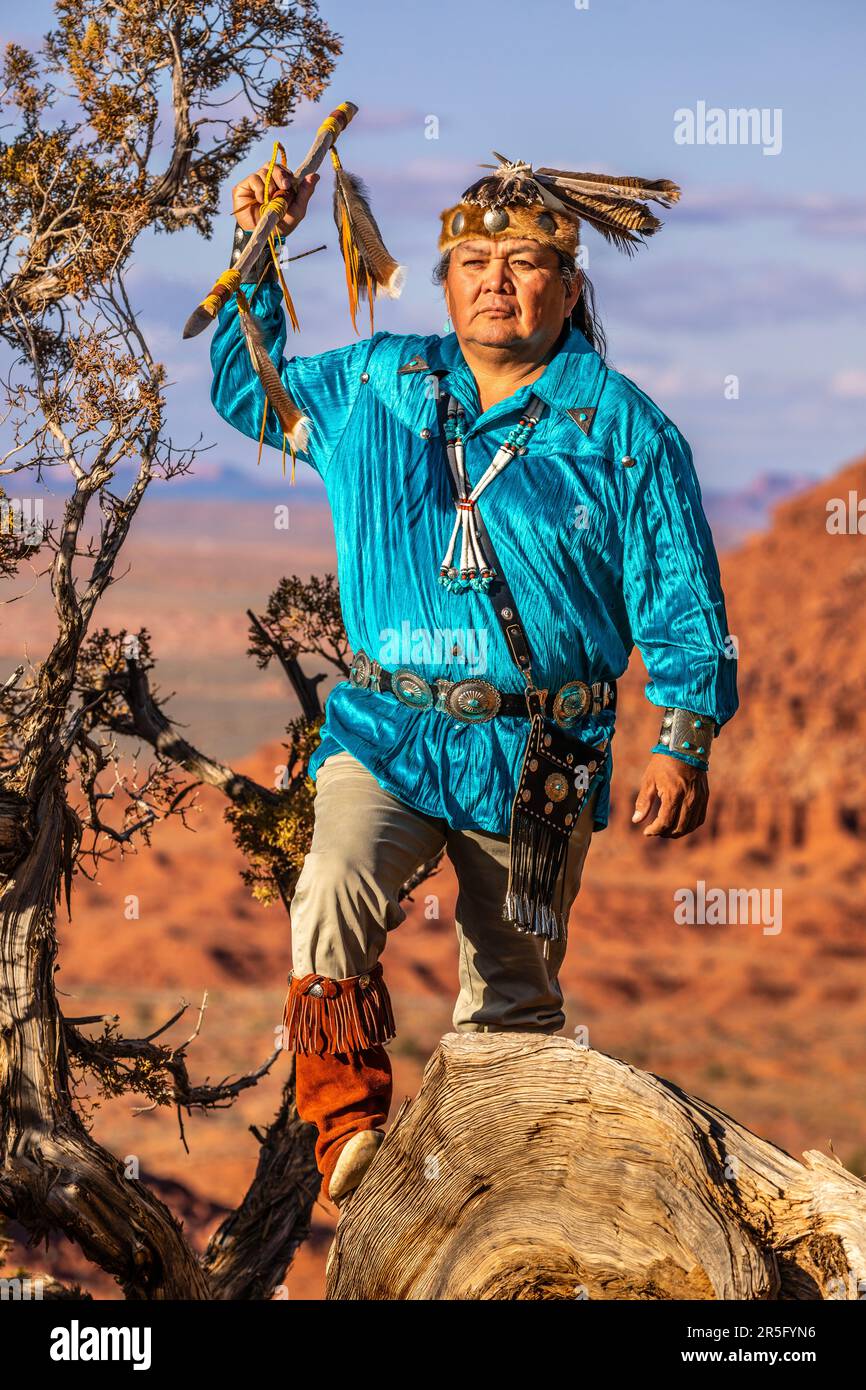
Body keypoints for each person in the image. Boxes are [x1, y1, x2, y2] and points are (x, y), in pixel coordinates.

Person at [209, 152, 738, 1209]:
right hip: (387, 732)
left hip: (540, 756)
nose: (496, 279)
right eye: (473, 261)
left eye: (525, 260)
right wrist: (256, 249)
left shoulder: (623, 430)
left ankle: (489, 1196)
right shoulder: (377, 387)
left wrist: (682, 733)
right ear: (445, 280)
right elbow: (246, 389)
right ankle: (349, 1127)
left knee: (514, 994)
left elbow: (678, 590)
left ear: (569, 286)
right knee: (332, 886)